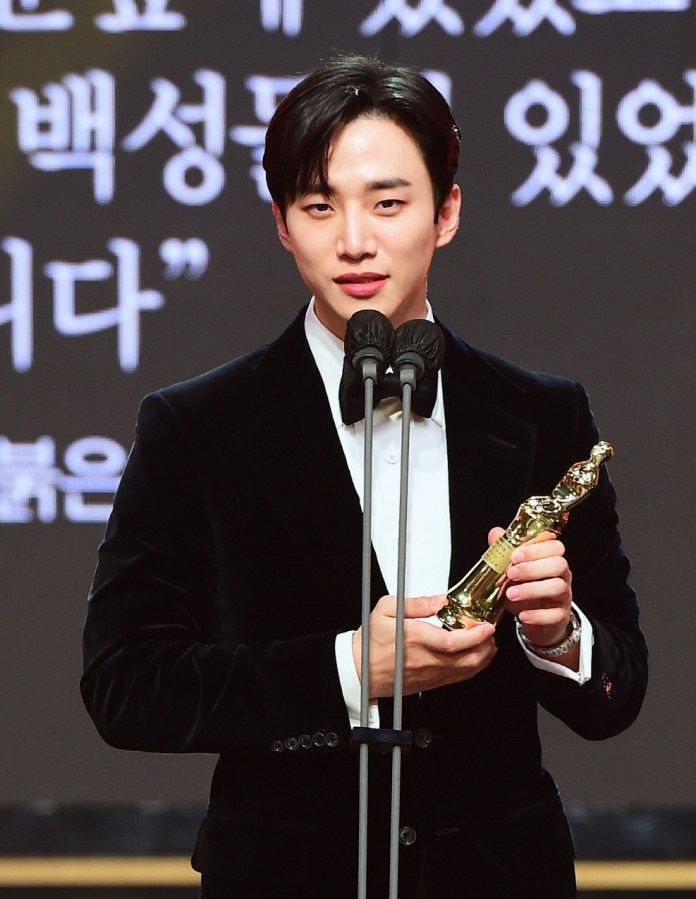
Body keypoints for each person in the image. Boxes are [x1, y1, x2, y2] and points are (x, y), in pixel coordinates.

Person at [81, 55, 648, 898]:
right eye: (319, 206)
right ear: (281, 223)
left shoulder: (545, 414)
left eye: (388, 203)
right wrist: (353, 668)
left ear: (445, 212)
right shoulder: (194, 425)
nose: (354, 240)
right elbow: (127, 687)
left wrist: (557, 634)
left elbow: (617, 690)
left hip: (501, 874)